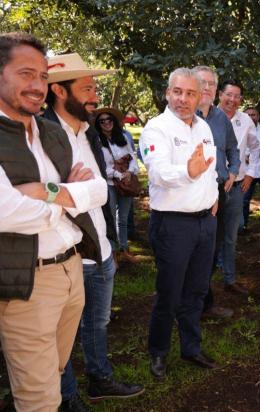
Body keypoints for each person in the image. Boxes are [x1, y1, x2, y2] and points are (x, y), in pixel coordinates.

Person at [0, 33, 103, 411]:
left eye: (43, 76)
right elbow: (6, 212)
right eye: (26, 73)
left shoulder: (50, 131)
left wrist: (45, 192)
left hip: (71, 266)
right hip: (29, 281)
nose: (37, 86)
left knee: (52, 372)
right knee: (39, 397)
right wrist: (66, 196)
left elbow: (99, 189)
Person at [44, 53, 144, 411]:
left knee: (98, 322)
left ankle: (99, 378)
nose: (94, 94)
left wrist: (83, 192)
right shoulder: (41, 133)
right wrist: (71, 191)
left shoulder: (89, 133)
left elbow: (99, 190)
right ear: (58, 90)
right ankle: (66, 396)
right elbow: (47, 194)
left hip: (100, 246)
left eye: (94, 86)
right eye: (86, 87)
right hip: (67, 250)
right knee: (62, 333)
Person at [141, 67, 219, 378]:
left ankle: (191, 347)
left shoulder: (204, 127)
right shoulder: (155, 128)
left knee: (197, 291)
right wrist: (189, 171)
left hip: (205, 223)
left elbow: (211, 169)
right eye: (177, 92)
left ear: (201, 96)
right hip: (173, 225)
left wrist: (213, 195)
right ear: (167, 92)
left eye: (190, 93)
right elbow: (157, 173)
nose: (183, 99)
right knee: (169, 293)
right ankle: (158, 352)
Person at [193, 65, 240, 319]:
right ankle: (192, 302)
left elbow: (233, 148)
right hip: (191, 194)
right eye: (203, 82)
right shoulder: (184, 118)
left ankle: (203, 300)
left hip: (219, 192)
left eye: (212, 83)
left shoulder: (221, 118)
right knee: (193, 249)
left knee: (212, 248)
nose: (207, 88)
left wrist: (233, 172)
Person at [216, 78, 260, 294]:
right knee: (208, 233)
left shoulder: (246, 120)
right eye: (229, 95)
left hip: (235, 186)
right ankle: (204, 279)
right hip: (210, 187)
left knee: (231, 235)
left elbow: (255, 148)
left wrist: (250, 174)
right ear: (219, 95)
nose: (232, 100)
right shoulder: (207, 117)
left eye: (237, 97)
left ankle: (229, 278)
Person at [94, 108, 140, 264]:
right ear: (98, 124)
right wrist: (119, 175)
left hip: (126, 182)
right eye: (102, 121)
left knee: (124, 218)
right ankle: (113, 253)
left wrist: (130, 172)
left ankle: (124, 249)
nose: (106, 123)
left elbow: (132, 157)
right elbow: (101, 166)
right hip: (110, 183)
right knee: (111, 217)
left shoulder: (123, 138)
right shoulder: (97, 142)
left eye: (109, 120)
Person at [242, 105, 260, 231]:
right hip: (247, 171)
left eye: (253, 114)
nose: (251, 117)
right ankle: (242, 226)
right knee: (243, 200)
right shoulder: (239, 128)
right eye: (248, 114)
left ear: (258, 116)